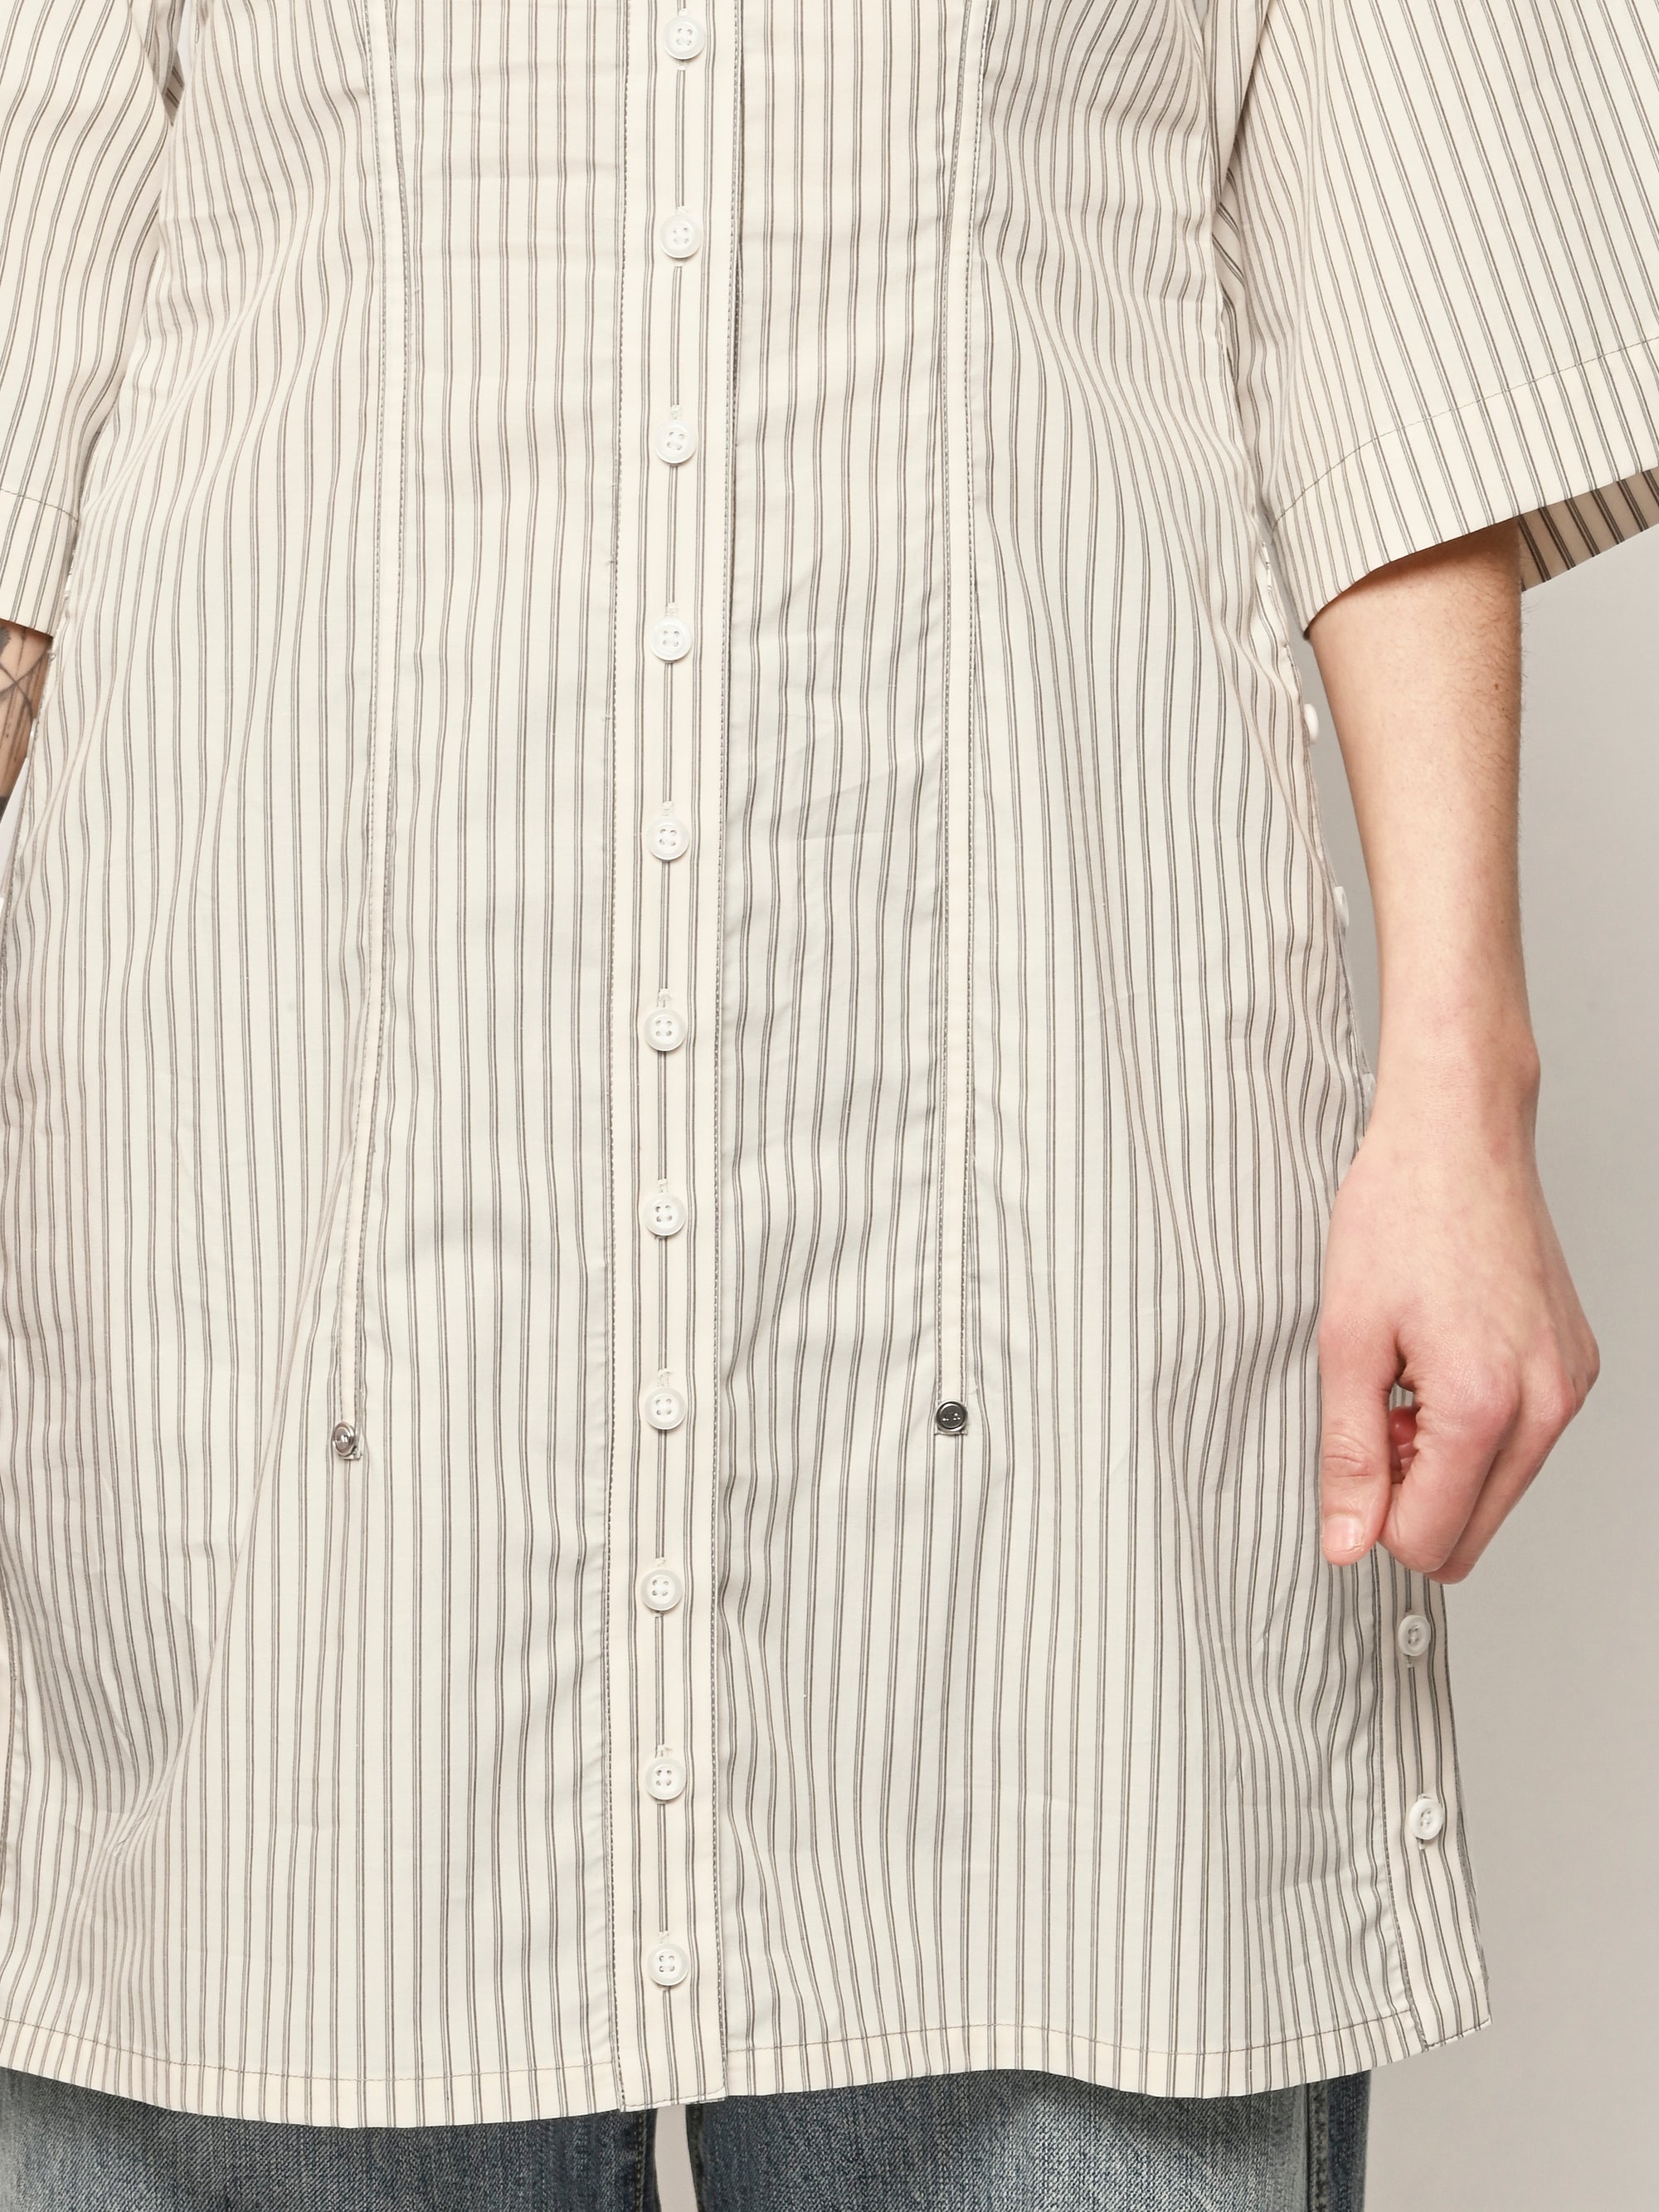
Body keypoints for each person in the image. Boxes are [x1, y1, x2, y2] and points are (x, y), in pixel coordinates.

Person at [0, 1, 1652, 2205]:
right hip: (285, 1264)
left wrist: (1464, 1074)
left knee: (1091, 1976)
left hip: (1047, 1279)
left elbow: (1403, 267)